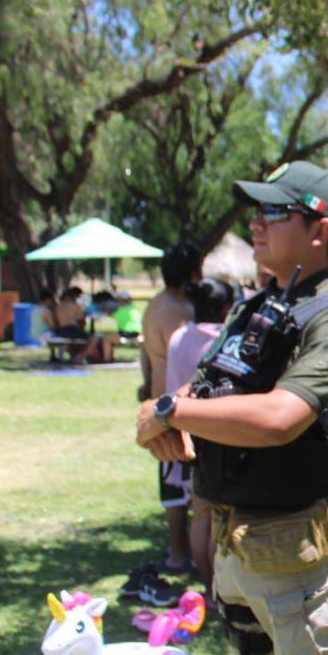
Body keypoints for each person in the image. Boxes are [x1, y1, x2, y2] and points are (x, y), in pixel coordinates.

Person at [136, 161, 328, 655]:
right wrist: (172, 414)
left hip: (303, 560)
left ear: (320, 230)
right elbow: (208, 388)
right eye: (257, 212)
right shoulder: (260, 304)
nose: (255, 223)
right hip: (238, 551)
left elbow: (280, 418)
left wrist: (171, 411)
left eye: (273, 213)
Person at [163, 277, 235, 595]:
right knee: (221, 521)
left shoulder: (179, 337)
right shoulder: (227, 339)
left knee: (200, 516)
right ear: (225, 309)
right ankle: (221, 590)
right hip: (221, 436)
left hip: (186, 434)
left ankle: (208, 589)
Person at [139, 243, 202, 573]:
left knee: (171, 481)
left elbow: (146, 355)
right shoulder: (180, 311)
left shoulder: (154, 305)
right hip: (174, 405)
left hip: (156, 398)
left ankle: (179, 552)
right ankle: (183, 554)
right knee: (185, 486)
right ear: (194, 273)